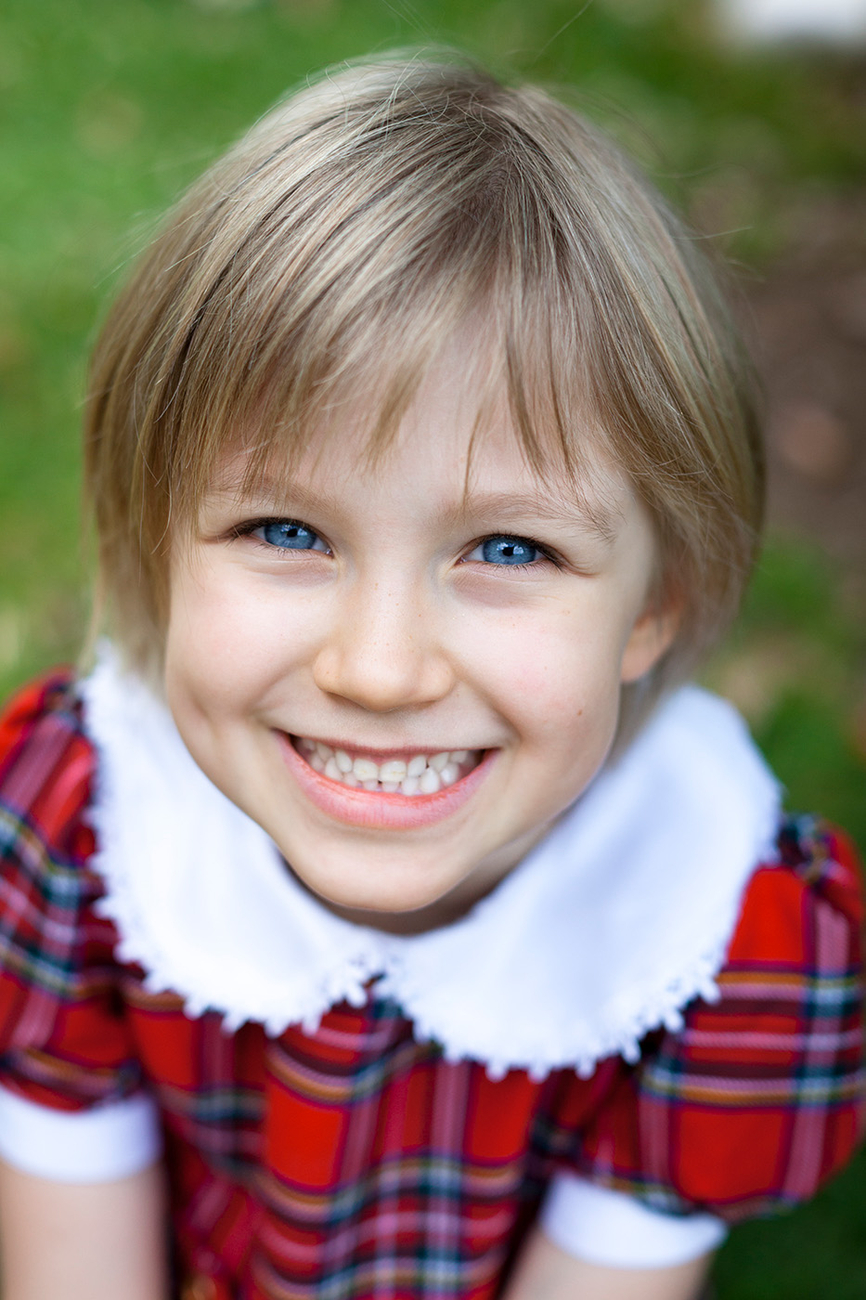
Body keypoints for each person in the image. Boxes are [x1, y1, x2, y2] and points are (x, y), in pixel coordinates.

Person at [0, 53, 861, 1300]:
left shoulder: (712, 939)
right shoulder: (85, 826)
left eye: (508, 548)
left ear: (652, 606)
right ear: (153, 540)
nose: (379, 668)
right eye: (285, 530)